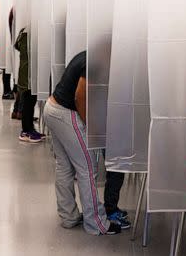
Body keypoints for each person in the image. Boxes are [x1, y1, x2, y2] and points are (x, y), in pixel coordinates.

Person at [43, 50, 122, 235]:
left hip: (52, 108)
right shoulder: (97, 61)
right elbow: (80, 96)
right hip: (66, 114)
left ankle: (69, 217)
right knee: (88, 168)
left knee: (64, 167)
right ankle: (97, 223)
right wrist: (89, 124)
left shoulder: (88, 53)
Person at [14, 27, 45, 143]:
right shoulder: (29, 33)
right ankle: (26, 131)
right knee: (28, 101)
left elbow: (16, 46)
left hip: (27, 72)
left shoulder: (24, 30)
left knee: (30, 101)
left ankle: (29, 128)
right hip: (28, 74)